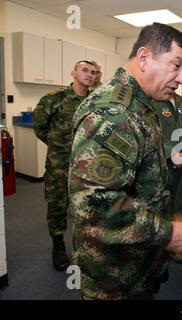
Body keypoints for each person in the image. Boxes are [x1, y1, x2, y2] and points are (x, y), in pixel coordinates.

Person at [68, 23, 182, 300]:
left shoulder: (139, 103)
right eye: (176, 66)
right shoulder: (114, 113)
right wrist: (168, 232)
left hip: (134, 264)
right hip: (114, 277)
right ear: (143, 57)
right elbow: (95, 206)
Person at [32, 60, 96, 271]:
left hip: (86, 166)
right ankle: (58, 245)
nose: (90, 74)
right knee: (57, 204)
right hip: (59, 163)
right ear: (73, 73)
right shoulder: (54, 99)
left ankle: (86, 247)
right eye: (85, 70)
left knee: (86, 206)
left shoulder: (95, 101)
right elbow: (40, 128)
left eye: (93, 72)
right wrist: (59, 145)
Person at [151, 93, 182, 264]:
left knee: (178, 201)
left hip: (180, 164)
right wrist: (172, 153)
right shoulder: (153, 101)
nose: (178, 77)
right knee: (159, 204)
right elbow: (153, 131)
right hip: (160, 164)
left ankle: (174, 243)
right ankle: (157, 248)